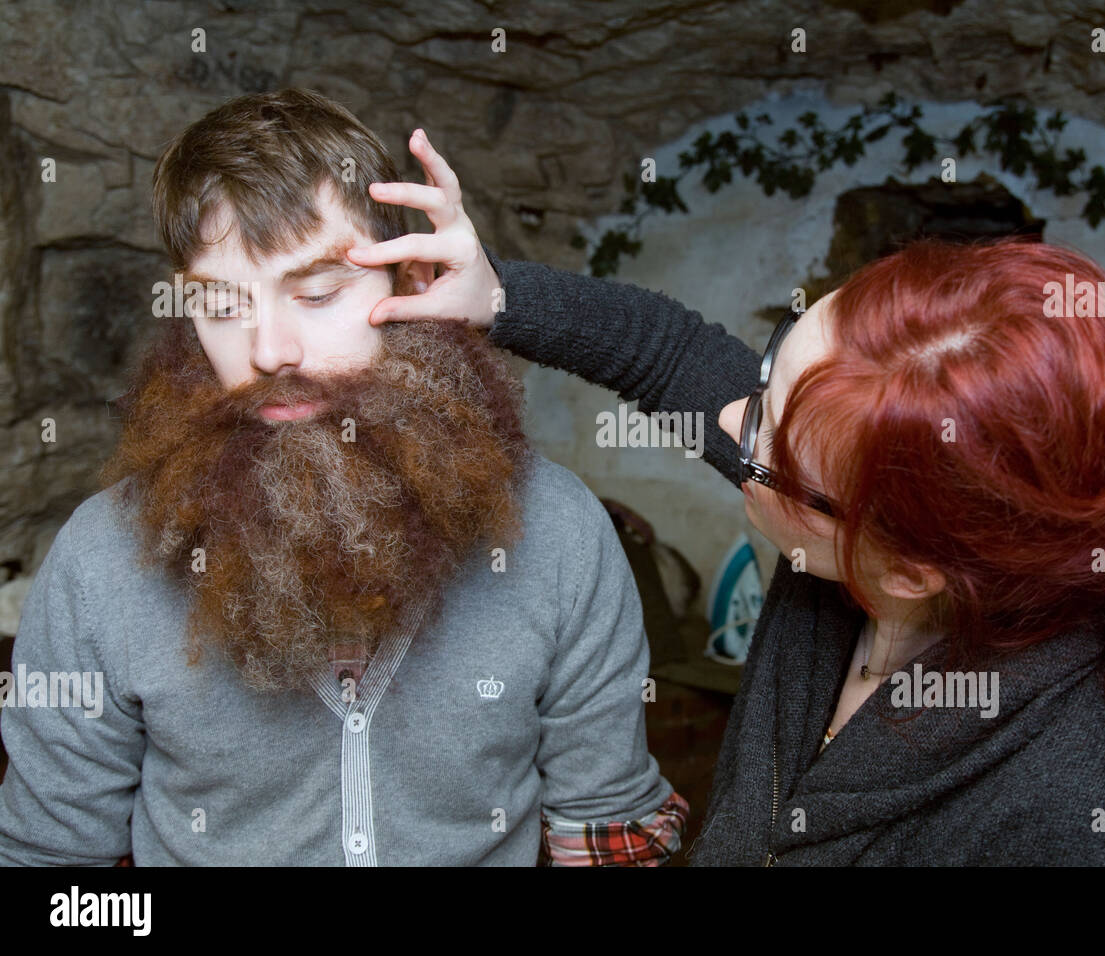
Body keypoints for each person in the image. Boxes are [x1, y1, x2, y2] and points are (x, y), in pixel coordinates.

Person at [355, 128, 1105, 866]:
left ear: (914, 565)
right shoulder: (849, 534)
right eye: (769, 375)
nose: (729, 425)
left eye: (763, 450)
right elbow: (669, 355)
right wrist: (497, 294)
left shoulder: (1093, 824)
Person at [0, 88, 686, 866]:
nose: (270, 350)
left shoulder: (557, 532)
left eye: (319, 293)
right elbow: (50, 870)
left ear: (410, 283)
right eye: (222, 306)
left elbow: (609, 835)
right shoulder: (101, 558)